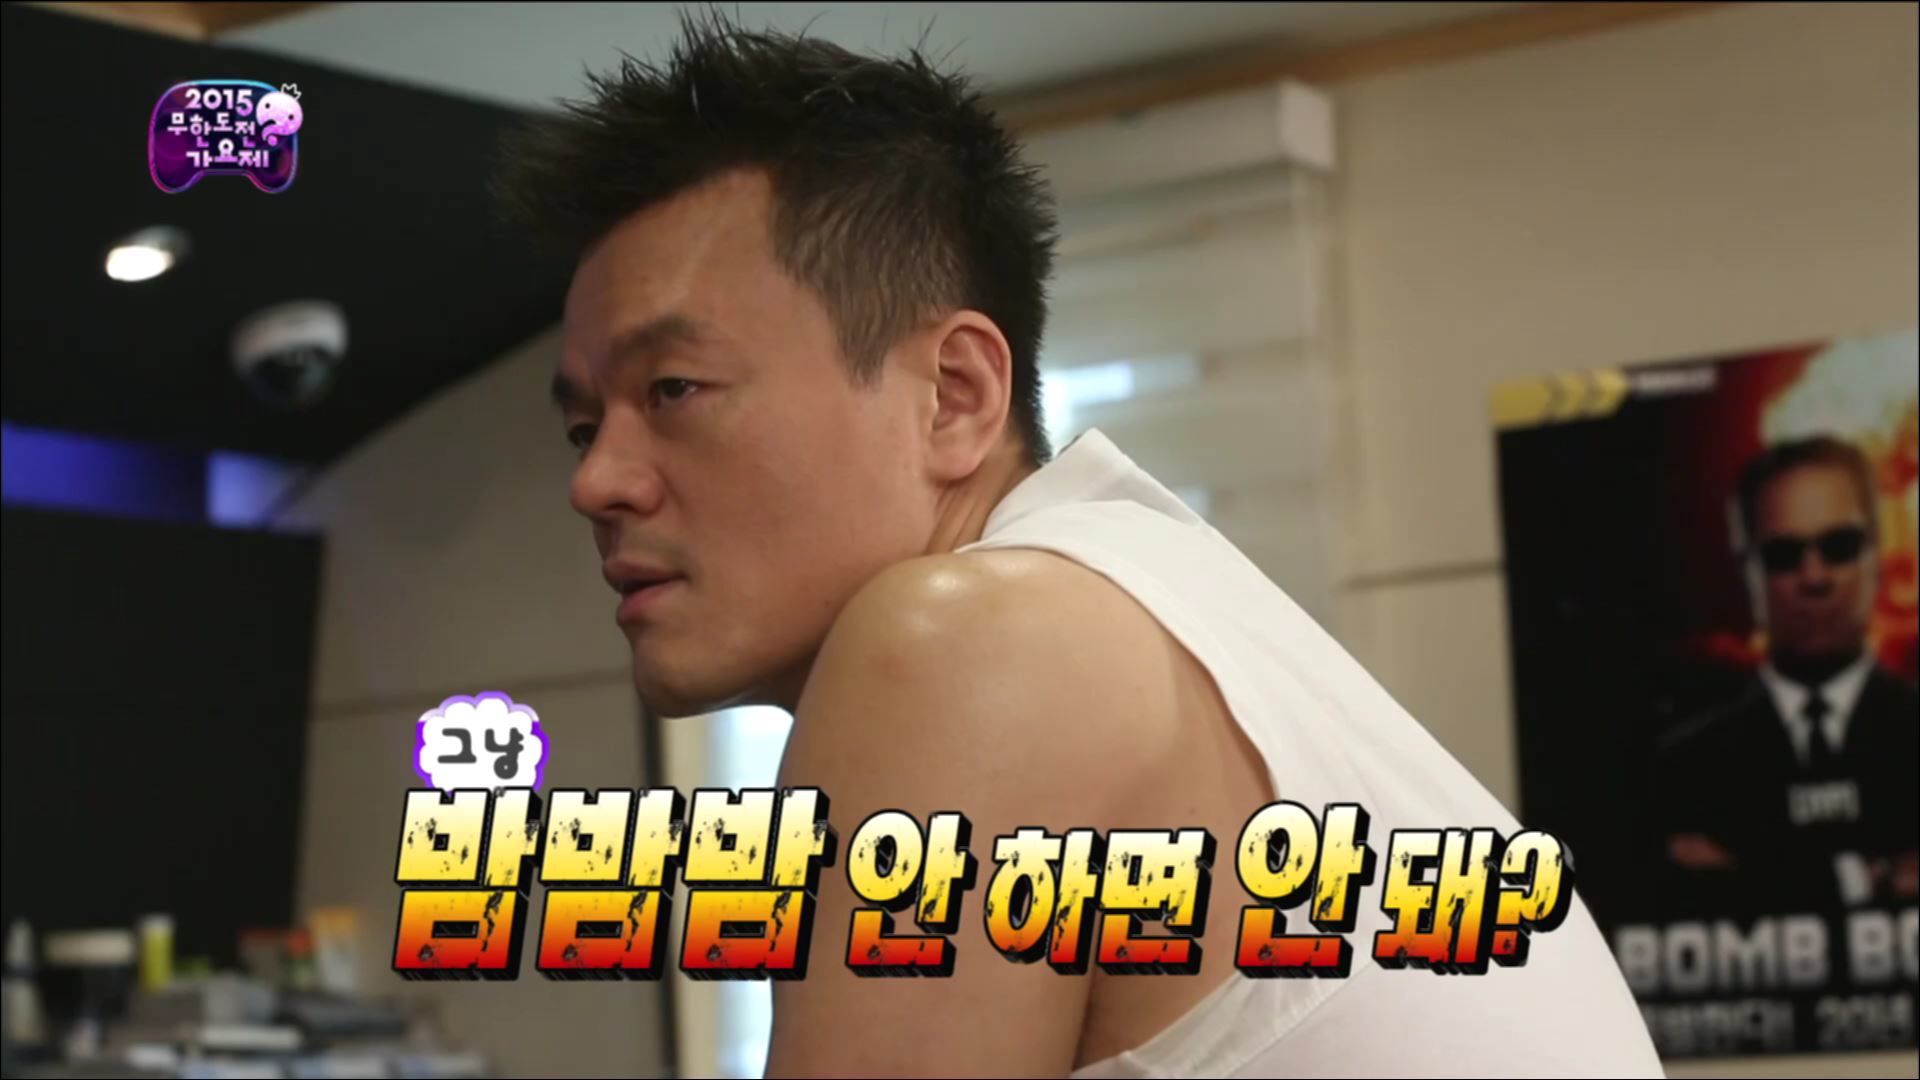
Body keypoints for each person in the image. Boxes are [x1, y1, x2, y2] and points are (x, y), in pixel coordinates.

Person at [495, 14, 1662, 1078]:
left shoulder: (971, 639)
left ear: (955, 395)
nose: (596, 480)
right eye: (584, 427)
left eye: (675, 388)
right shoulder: (1159, 602)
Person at [1655, 436, 1919, 914]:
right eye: (1783, 554)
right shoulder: (1682, 769)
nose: (1814, 577)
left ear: (1876, 554)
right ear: (1747, 570)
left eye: (1839, 546)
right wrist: (1872, 874)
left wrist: (1743, 871)